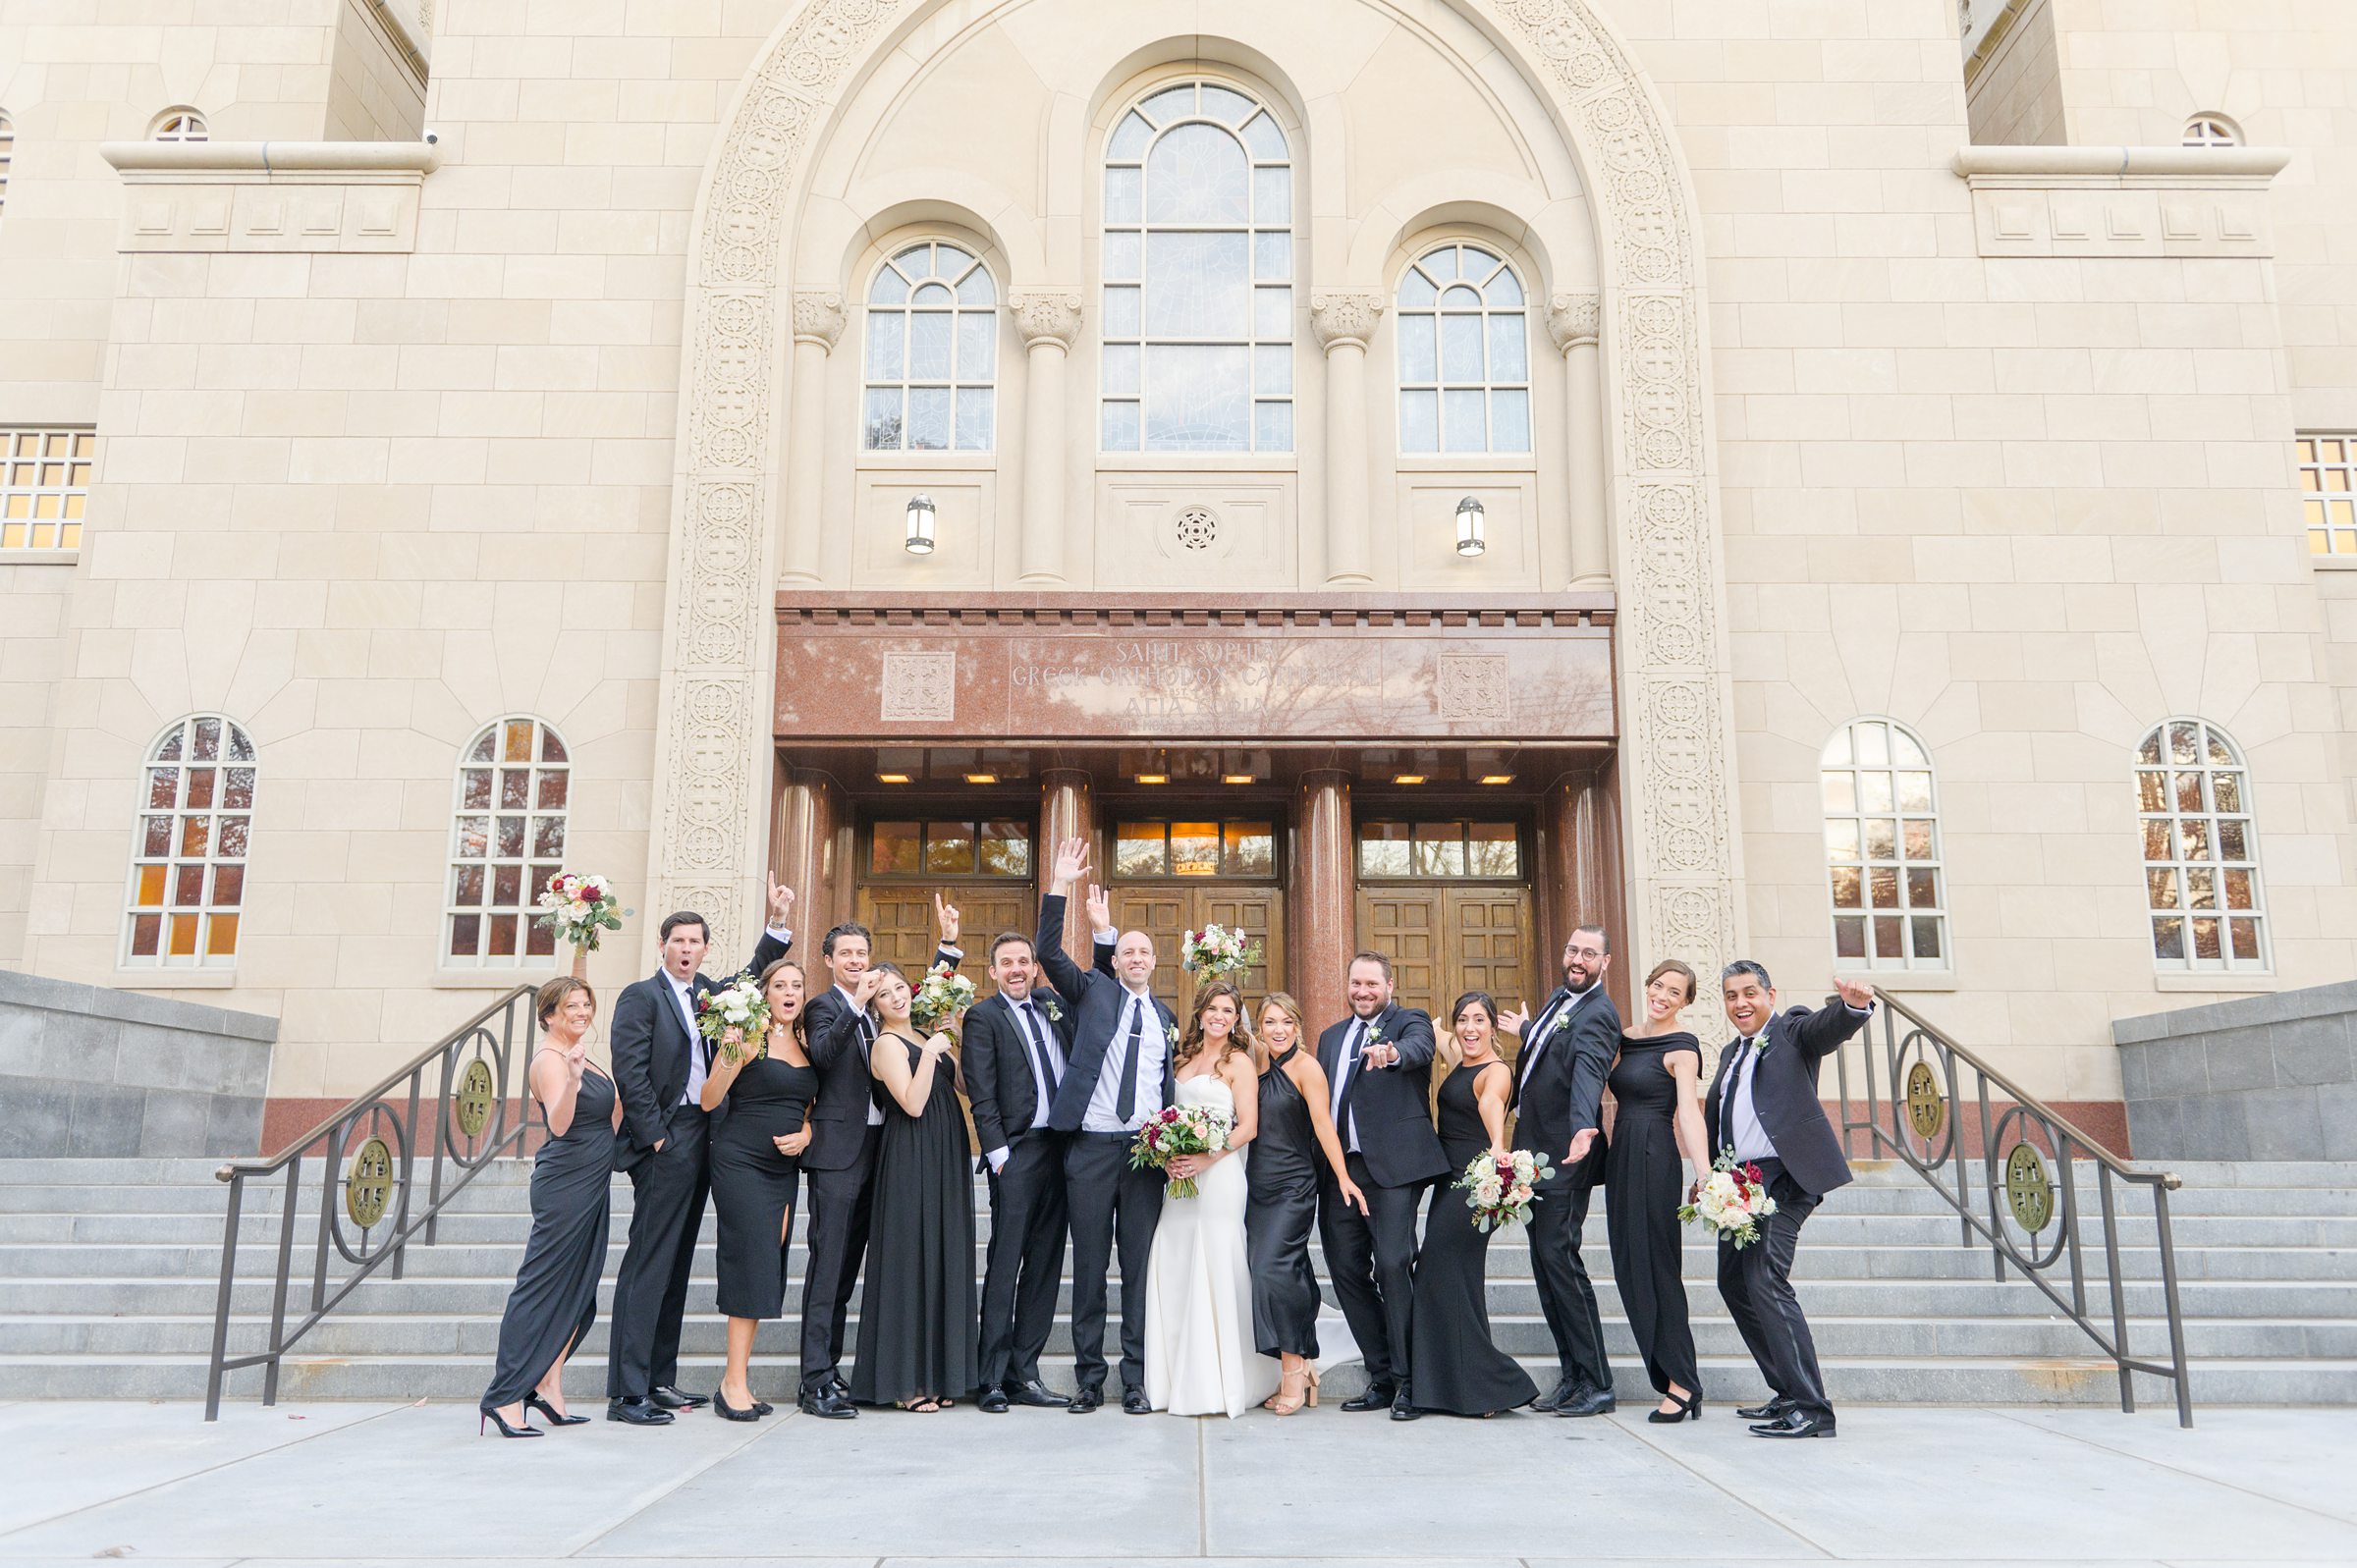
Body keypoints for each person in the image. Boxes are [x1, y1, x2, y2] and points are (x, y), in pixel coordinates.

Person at [603, 882, 795, 1426]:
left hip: (710, 1133)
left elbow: (748, 977)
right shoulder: (642, 997)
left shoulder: (709, 993)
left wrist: (776, 925)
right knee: (650, 1260)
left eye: (695, 942)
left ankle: (660, 1377)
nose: (686, 949)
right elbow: (631, 1072)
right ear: (662, 946)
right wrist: (656, 1136)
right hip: (668, 1138)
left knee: (679, 1262)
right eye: (678, 940)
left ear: (705, 949)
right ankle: (627, 1390)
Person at [795, 896, 961, 1420]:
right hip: (839, 1155)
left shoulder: (880, 1010)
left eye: (862, 953)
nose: (856, 961)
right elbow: (822, 1055)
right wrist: (852, 1004)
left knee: (858, 1271)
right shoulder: (828, 1007)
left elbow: (911, 1000)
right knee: (829, 1270)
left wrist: (948, 948)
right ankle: (815, 1379)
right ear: (829, 961)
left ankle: (842, 1369)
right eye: (845, 954)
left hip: (885, 1152)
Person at [1705, 961, 1876, 1438]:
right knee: (1734, 1282)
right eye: (1731, 995)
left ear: (1770, 994)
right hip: (1738, 1184)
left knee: (1765, 1279)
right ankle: (1786, 1392)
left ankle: (1813, 1410)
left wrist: (1852, 1007)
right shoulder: (1729, 1053)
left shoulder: (1791, 1030)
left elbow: (1826, 1029)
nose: (1741, 1003)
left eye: (1749, 993)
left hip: (1785, 1178)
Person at [1038, 836, 1176, 1416]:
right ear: (1115, 959)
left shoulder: (1166, 1017)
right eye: (1130, 952)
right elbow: (1048, 950)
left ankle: (1136, 1381)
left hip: (1143, 1156)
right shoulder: (1092, 991)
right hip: (1091, 1149)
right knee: (1091, 1268)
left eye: (1146, 953)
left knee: (1139, 1272)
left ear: (1154, 962)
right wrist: (1060, 885)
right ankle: (1090, 1381)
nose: (1138, 959)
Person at [479, 977, 618, 1437]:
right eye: (570, 1007)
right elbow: (559, 1124)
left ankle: (550, 1386)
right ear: (549, 1016)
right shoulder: (550, 1060)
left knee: (579, 1288)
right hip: (566, 1185)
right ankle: (504, 1397)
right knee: (540, 1287)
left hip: (591, 1180)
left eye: (586, 1004)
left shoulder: (577, 1054)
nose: (581, 1012)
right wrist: (575, 1081)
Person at [1315, 950, 1447, 1421]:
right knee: (1345, 1270)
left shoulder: (1409, 1023)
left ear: (1389, 986)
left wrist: (1390, 1054)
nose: (1363, 992)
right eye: (1356, 984)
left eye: (1372, 984)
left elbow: (1418, 1050)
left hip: (1392, 1170)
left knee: (1392, 1264)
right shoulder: (1329, 1038)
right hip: (1341, 1173)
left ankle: (1411, 1382)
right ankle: (1382, 1373)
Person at [1498, 923, 1620, 1417]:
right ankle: (1572, 1377)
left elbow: (1589, 1070)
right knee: (1546, 1266)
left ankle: (1598, 1383)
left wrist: (1583, 1127)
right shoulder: (1559, 998)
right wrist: (1529, 1031)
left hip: (1566, 1155)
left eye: (1589, 954)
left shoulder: (1599, 1013)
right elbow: (1555, 1052)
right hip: (1534, 1154)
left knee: (1562, 1264)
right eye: (1572, 949)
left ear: (1604, 963)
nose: (1577, 959)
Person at [1141, 978, 1273, 1418]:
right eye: (1213, 1009)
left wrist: (1206, 1158)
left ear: (1237, 1020)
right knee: (1175, 1258)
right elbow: (1164, 1116)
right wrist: (1167, 1157)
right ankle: (1175, 1377)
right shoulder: (1181, 1060)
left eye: (1228, 1011)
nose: (1220, 1016)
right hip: (1180, 1180)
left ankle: (1221, 1379)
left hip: (1219, 1178)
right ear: (1200, 1013)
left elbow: (1248, 1126)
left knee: (1215, 1260)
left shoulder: (1239, 1063)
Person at [850, 963, 979, 1411]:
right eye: (885, 995)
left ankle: (940, 1375)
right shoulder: (886, 1044)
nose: (896, 998)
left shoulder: (926, 1035)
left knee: (941, 1255)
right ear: (875, 1004)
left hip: (946, 1155)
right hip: (911, 1154)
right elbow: (912, 1103)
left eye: (900, 988)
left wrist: (954, 1040)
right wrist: (927, 1057)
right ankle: (905, 1384)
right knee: (911, 1260)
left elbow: (963, 1086)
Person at [1406, 991, 1539, 1419]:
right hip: (1450, 1181)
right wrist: (1432, 1026)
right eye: (1464, 1020)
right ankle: (1457, 1387)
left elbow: (1491, 1104)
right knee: (1449, 1278)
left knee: (1442, 1274)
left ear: (1492, 1028)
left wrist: (1499, 1151)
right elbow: (1441, 1036)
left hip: (1473, 1185)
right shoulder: (1460, 1057)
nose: (1469, 1028)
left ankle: (1489, 1386)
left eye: (1479, 1020)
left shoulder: (1496, 1071)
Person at [700, 955, 818, 1421]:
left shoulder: (806, 1044)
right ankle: (732, 1383)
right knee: (749, 1262)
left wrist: (807, 1135)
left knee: (767, 1263)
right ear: (764, 994)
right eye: (780, 985)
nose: (789, 993)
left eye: (797, 986)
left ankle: (738, 1381)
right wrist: (728, 1056)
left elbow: (809, 1107)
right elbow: (710, 1099)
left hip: (782, 1170)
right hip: (740, 1162)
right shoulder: (748, 1038)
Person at [963, 932, 1074, 1413]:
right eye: (1006, 962)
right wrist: (997, 1153)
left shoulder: (1053, 1004)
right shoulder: (983, 1017)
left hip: (1061, 1150)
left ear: (1035, 968)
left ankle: (1024, 1374)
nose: (1016, 969)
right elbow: (981, 1092)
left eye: (1023, 961)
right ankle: (990, 1377)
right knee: (1006, 1263)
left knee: (1046, 1265)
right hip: (1017, 1152)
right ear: (993, 971)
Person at [1244, 992, 1363, 1416]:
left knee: (1275, 1269)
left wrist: (1344, 1177)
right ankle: (1297, 1363)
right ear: (1260, 1027)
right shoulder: (1255, 1062)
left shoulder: (1307, 1068)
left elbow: (1325, 1128)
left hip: (1294, 1185)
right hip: (1254, 1184)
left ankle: (1294, 1368)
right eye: (1270, 1022)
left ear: (1298, 1027)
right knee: (1274, 1271)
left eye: (1286, 1023)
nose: (1278, 1030)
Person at [1605, 958, 1710, 1422]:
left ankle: (1683, 1382)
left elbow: (1689, 1111)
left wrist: (1703, 1172)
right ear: (1647, 985)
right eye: (1658, 986)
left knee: (1659, 1266)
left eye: (1675, 992)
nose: (1662, 996)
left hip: (1654, 1155)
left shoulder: (1683, 1048)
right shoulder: (1626, 1037)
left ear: (1685, 1001)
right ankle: (1669, 1375)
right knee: (1629, 1265)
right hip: (1621, 1151)